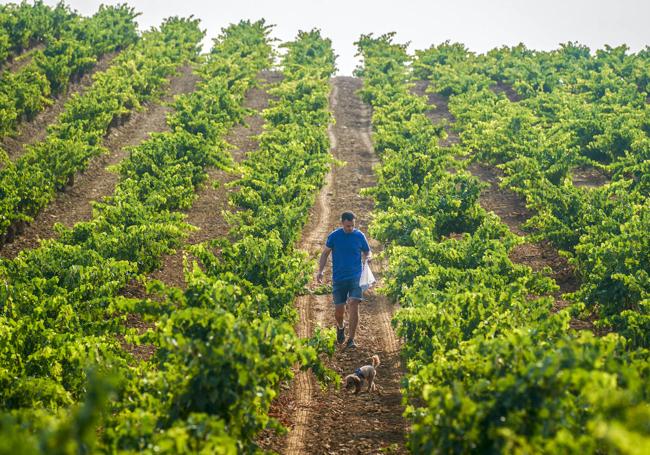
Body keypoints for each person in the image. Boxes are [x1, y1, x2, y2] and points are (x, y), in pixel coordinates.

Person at [317, 211, 371, 349]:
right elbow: (324, 254)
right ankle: (340, 326)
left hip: (356, 277)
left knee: (353, 304)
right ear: (342, 223)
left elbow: (367, 251)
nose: (350, 228)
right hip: (339, 278)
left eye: (352, 225)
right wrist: (321, 271)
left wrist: (368, 258)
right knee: (339, 311)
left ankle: (351, 339)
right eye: (347, 226)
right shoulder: (334, 236)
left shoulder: (359, 236)